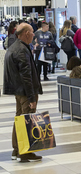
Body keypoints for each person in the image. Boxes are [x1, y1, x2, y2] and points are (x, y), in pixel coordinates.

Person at [3, 23, 43, 162]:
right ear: (26, 33)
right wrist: (32, 97)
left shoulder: (14, 47)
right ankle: (25, 152)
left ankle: (17, 149)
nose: (34, 34)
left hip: (18, 91)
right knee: (27, 120)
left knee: (19, 119)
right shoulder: (22, 50)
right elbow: (26, 75)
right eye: (32, 32)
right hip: (25, 92)